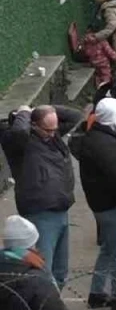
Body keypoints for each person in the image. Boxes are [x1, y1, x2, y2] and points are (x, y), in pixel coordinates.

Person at [1, 105, 83, 289]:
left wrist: (45, 108)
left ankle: (54, 308)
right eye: (48, 130)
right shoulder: (18, 142)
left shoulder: (51, 138)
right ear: (33, 125)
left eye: (55, 129)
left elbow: (75, 115)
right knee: (43, 269)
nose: (53, 134)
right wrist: (24, 112)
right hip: (40, 213)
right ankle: (43, 309)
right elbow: (20, 133)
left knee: (60, 271)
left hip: (61, 209)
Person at [70, 98, 116, 310]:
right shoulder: (107, 143)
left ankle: (97, 292)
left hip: (101, 204)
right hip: (115, 204)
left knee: (108, 249)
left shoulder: (95, 138)